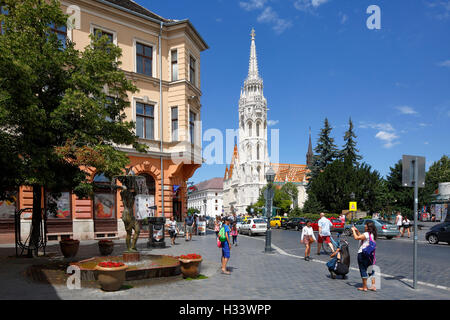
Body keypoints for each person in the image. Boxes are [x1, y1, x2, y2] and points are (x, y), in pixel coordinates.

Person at [351, 221, 377, 292]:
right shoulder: (372, 234)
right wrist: (357, 231)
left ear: (368, 227)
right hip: (370, 255)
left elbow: (356, 238)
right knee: (370, 270)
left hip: (363, 254)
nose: (364, 226)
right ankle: (373, 286)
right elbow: (362, 238)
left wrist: (353, 231)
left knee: (363, 269)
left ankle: (364, 287)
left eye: (365, 226)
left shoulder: (366, 234)